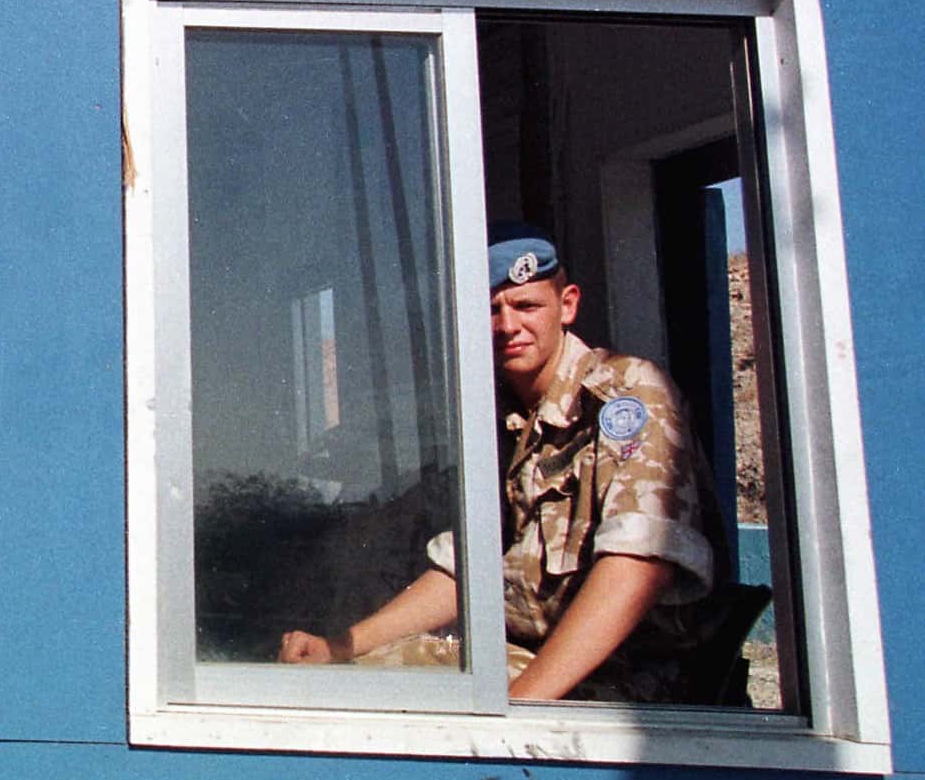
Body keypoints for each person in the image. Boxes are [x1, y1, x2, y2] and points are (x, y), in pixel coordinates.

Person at [277, 226, 731, 702]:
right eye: (490, 310)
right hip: (531, 657)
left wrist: (519, 710)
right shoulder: (503, 420)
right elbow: (463, 571)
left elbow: (637, 567)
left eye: (526, 306)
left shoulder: (624, 396)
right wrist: (340, 647)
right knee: (346, 685)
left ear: (568, 305)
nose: (507, 325)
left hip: (633, 678)